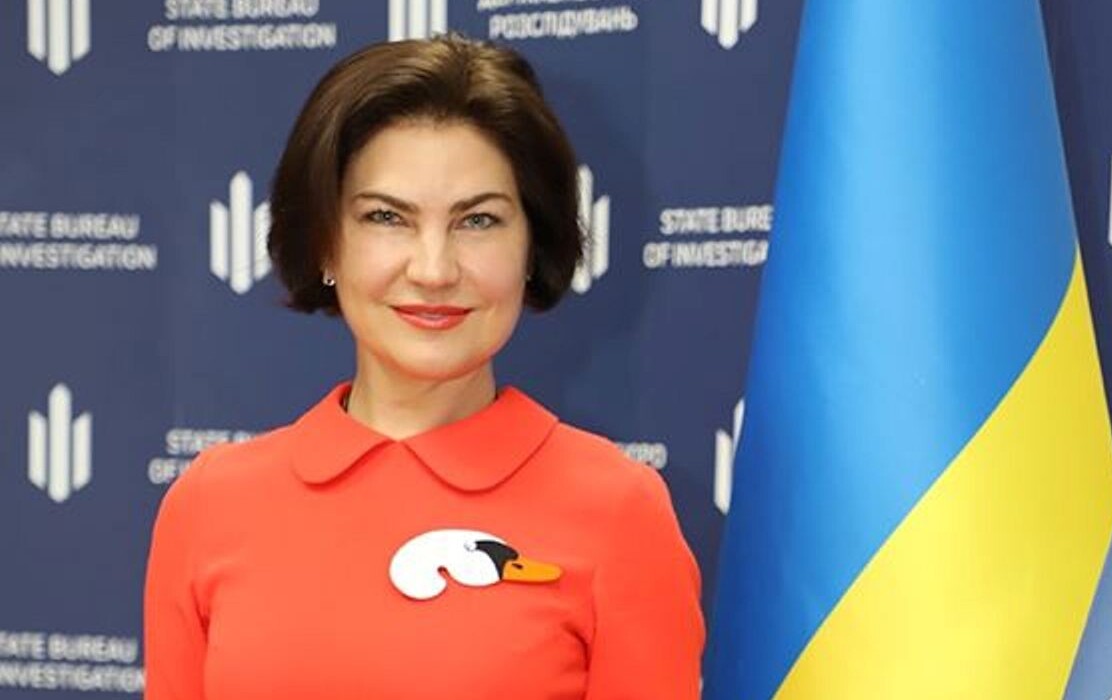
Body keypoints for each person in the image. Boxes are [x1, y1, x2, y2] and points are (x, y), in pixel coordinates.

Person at [143, 36, 704, 700]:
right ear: (325, 243)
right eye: (387, 217)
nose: (434, 270)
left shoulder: (619, 511)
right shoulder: (209, 505)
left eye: (478, 221)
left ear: (532, 245)